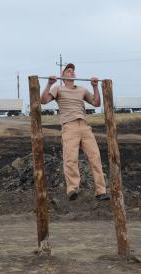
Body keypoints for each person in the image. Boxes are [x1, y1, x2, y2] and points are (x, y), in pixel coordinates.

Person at [40, 63, 110, 201]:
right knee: (71, 159)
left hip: (84, 126)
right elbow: (43, 101)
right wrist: (49, 83)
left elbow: (96, 103)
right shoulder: (58, 89)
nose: (72, 72)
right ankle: (72, 189)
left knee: (95, 157)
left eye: (73, 71)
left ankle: (101, 191)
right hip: (69, 127)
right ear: (63, 75)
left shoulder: (82, 89)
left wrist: (95, 87)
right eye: (69, 70)